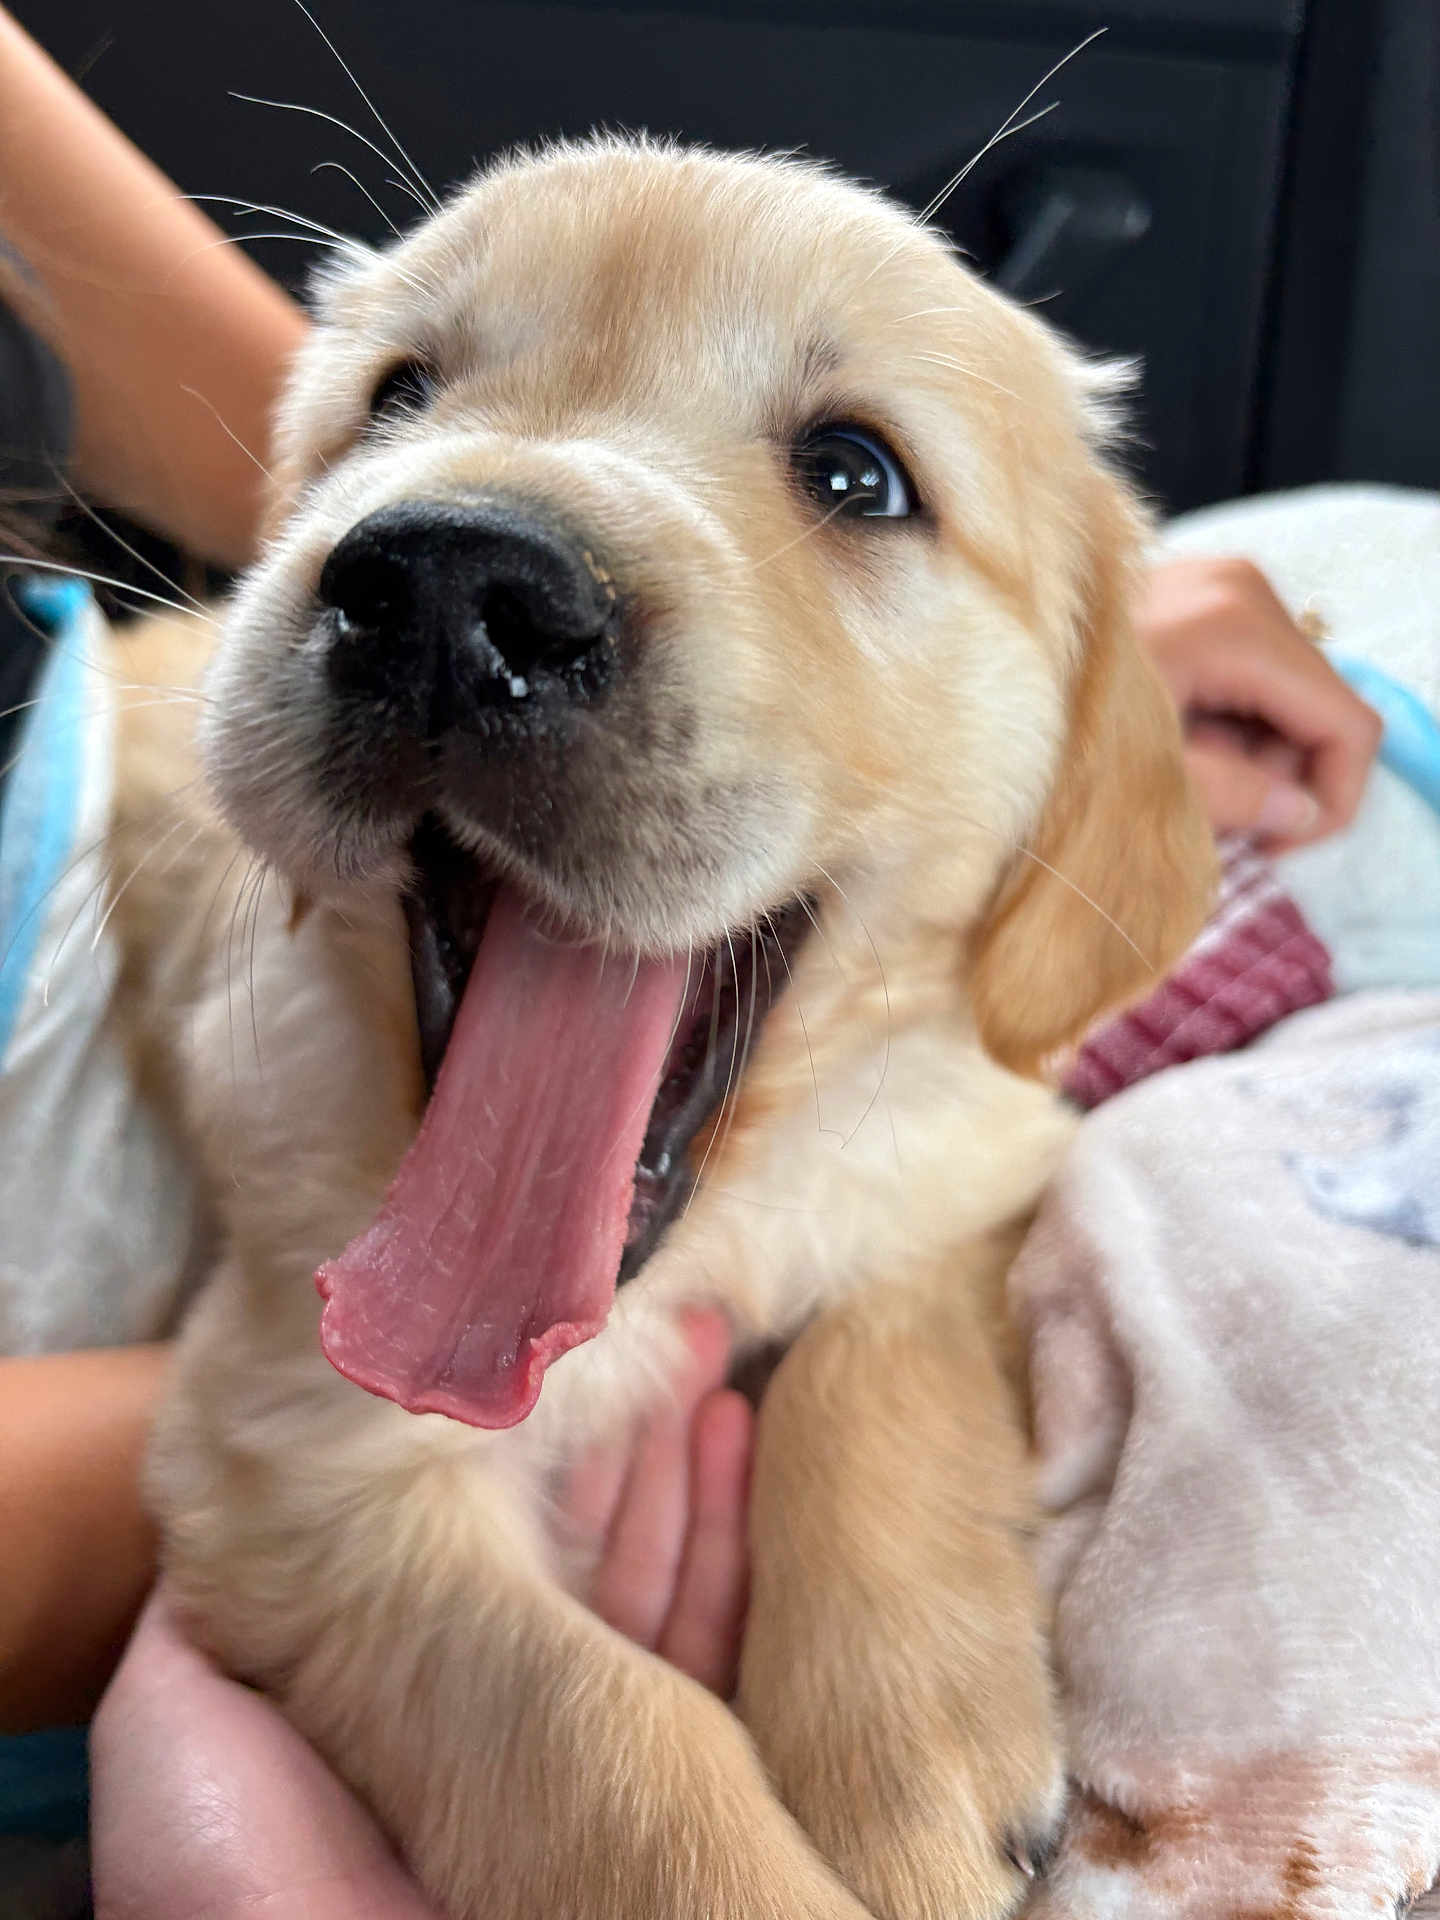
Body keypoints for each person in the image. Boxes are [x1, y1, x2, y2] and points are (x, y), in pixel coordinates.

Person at [0, 9, 1382, 1910]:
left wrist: (884, 1464)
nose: (447, 549)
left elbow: (957, 1188)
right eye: (400, 402)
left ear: (1078, 742)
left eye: (850, 470)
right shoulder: (305, 994)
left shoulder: (993, 983)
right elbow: (300, 1487)